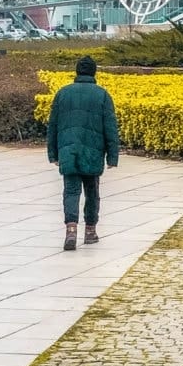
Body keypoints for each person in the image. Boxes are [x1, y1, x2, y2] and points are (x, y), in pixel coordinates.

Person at [47, 55, 119, 251]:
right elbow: (110, 127)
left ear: (77, 71)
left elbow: (52, 125)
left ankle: (71, 230)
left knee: (70, 191)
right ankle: (90, 231)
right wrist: (112, 156)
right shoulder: (102, 95)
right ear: (94, 72)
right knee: (92, 192)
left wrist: (53, 153)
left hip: (68, 151)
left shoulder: (63, 93)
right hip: (93, 151)